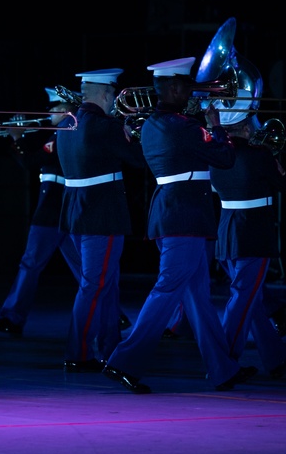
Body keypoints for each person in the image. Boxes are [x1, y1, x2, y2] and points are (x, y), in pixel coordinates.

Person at [103, 57, 256, 393]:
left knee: (198, 298)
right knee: (168, 289)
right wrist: (215, 125)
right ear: (172, 87)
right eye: (187, 86)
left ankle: (223, 369)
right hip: (184, 217)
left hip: (178, 214)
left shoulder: (157, 124)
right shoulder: (180, 126)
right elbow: (226, 158)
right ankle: (123, 361)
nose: (192, 92)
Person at [56, 68, 145, 373]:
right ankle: (78, 352)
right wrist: (135, 134)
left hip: (77, 213)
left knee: (106, 284)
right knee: (95, 285)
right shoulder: (105, 126)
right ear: (106, 94)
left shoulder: (66, 123)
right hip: (101, 215)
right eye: (111, 96)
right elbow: (138, 159)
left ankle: (108, 347)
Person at [0, 86, 82, 336]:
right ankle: (114, 316)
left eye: (56, 109)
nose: (50, 115)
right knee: (83, 270)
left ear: (68, 111)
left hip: (53, 208)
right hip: (61, 208)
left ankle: (13, 318)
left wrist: (16, 137)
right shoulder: (56, 135)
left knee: (31, 263)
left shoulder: (64, 134)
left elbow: (31, 161)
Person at [208, 111, 286, 378]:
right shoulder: (259, 154)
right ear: (244, 127)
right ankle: (223, 362)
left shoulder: (217, 156)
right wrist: (276, 162)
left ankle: (275, 358)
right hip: (253, 234)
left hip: (227, 230)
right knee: (243, 298)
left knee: (252, 298)